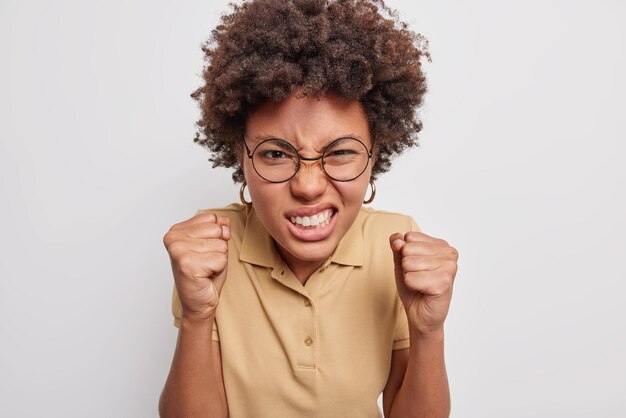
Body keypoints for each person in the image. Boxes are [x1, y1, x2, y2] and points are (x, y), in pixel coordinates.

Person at [159, 0, 459, 417]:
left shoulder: (395, 246)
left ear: (375, 156)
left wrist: (429, 331)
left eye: (340, 153)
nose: (308, 185)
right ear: (241, 158)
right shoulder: (209, 249)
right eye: (277, 154)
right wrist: (196, 315)